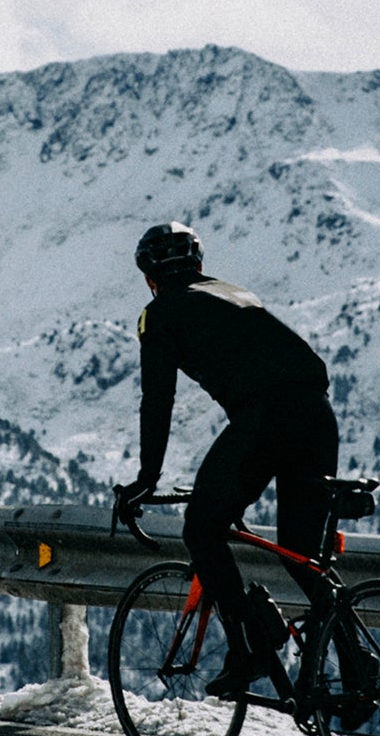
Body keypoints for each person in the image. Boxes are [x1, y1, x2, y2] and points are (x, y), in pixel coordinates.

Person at [115, 221, 340, 696]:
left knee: (201, 528)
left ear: (150, 276)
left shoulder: (158, 315)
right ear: (198, 264)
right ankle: (360, 672)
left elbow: (158, 400)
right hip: (317, 414)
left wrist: (146, 478)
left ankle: (250, 648)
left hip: (265, 418)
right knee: (302, 556)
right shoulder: (234, 293)